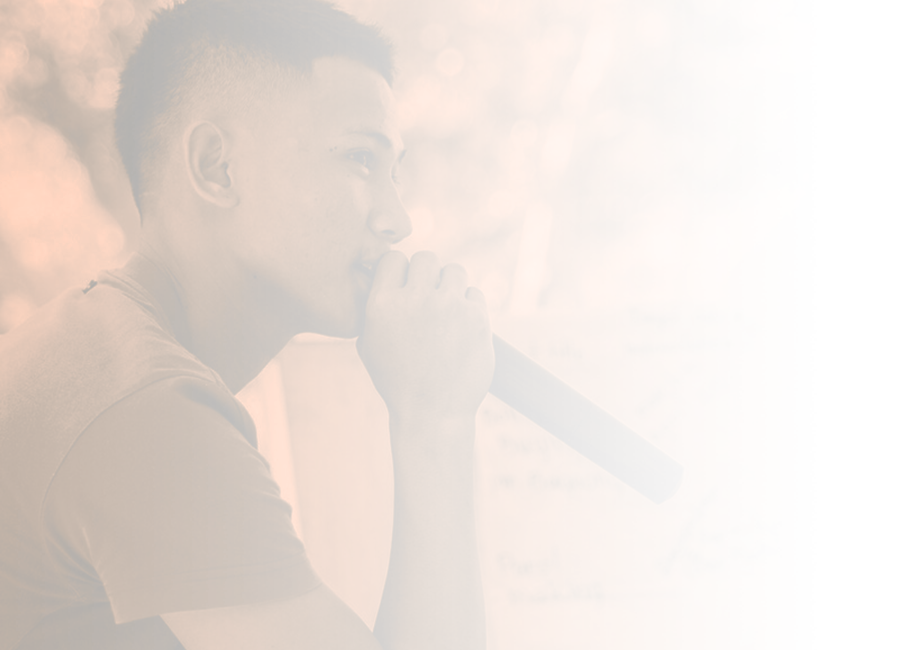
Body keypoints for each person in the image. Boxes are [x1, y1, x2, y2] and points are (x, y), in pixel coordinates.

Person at [0, 1, 493, 648]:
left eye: (394, 173)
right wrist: (435, 422)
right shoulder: (145, 413)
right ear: (216, 167)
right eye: (359, 159)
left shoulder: (94, 350)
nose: (398, 221)